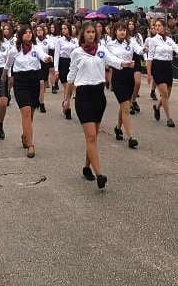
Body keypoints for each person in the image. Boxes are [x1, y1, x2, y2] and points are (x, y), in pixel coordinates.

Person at [64, 22, 133, 189]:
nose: (90, 35)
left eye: (93, 32)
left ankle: (87, 167)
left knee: (93, 136)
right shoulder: (77, 53)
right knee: (91, 137)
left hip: (98, 96)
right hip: (83, 96)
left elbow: (114, 60)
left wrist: (125, 63)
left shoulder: (101, 50)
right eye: (87, 32)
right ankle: (99, 174)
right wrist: (66, 99)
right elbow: (71, 76)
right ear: (83, 34)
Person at [5, 25, 52, 158]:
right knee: (25, 112)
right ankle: (31, 145)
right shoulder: (14, 50)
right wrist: (8, 78)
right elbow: (8, 65)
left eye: (30, 33)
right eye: (25, 33)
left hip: (34, 81)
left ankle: (25, 134)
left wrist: (47, 58)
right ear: (20, 35)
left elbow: (43, 56)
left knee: (30, 113)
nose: (28, 35)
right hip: (20, 82)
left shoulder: (37, 48)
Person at [106, 21, 144, 149]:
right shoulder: (110, 44)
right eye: (119, 29)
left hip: (129, 76)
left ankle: (118, 127)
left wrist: (144, 49)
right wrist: (123, 63)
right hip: (118, 76)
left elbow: (139, 49)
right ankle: (131, 137)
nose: (122, 32)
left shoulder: (131, 41)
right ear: (115, 31)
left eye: (124, 29)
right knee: (126, 107)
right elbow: (111, 59)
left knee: (124, 106)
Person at [147, 18, 178, 128]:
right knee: (164, 93)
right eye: (156, 26)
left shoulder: (169, 39)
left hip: (168, 66)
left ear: (164, 27)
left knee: (167, 94)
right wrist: (149, 74)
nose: (157, 27)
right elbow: (149, 58)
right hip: (158, 66)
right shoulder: (153, 40)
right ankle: (169, 118)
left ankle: (157, 107)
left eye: (160, 25)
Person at [57, 22, 78, 119]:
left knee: (72, 87)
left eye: (65, 28)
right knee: (66, 86)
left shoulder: (75, 40)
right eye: (62, 28)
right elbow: (56, 55)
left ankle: (65, 101)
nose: (63, 30)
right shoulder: (60, 40)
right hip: (63, 63)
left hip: (73, 63)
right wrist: (56, 69)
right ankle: (68, 108)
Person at [127, 19, 144, 115]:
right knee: (130, 83)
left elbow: (141, 47)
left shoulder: (138, 36)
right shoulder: (125, 36)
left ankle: (133, 100)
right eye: (129, 24)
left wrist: (145, 58)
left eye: (132, 24)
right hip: (128, 58)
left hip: (137, 58)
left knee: (137, 82)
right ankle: (129, 103)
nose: (131, 26)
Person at [35, 25, 51, 113]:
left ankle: (41, 99)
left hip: (45, 63)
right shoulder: (34, 41)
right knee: (40, 83)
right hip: (36, 64)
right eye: (37, 30)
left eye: (40, 30)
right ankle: (41, 104)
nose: (39, 31)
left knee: (43, 84)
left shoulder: (47, 40)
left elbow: (52, 48)